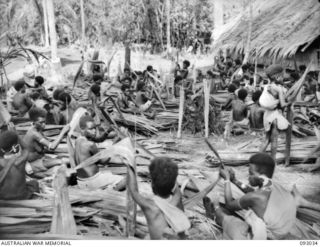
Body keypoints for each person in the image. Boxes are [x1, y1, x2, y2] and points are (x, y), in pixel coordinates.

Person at [212, 152, 320, 240]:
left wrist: (226, 180)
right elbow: (250, 191)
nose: (248, 176)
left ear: (261, 176)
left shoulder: (255, 197)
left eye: (251, 173)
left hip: (272, 237)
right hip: (283, 229)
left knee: (229, 221)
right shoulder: (270, 184)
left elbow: (229, 205)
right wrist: (234, 180)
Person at [125, 156, 190, 239]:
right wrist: (170, 175)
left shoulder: (149, 207)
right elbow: (176, 189)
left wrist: (130, 166)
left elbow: (133, 191)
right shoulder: (175, 200)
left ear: (152, 185)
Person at [75, 115, 126, 191]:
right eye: (91, 129)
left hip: (81, 181)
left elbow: (98, 139)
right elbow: (104, 161)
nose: (94, 131)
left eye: (94, 128)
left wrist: (108, 131)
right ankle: (109, 193)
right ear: (82, 129)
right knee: (126, 180)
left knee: (108, 174)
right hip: (92, 181)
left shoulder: (78, 140)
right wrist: (114, 145)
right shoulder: (90, 144)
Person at [23, 107, 70, 177]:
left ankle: (40, 174)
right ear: (33, 122)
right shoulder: (34, 134)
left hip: (40, 160)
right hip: (32, 164)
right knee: (64, 161)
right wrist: (63, 132)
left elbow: (47, 143)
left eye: (44, 122)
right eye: (41, 122)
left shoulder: (37, 129)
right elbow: (52, 147)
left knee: (63, 160)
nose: (44, 125)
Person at [259, 65, 290, 161]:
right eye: (282, 76)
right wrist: (290, 102)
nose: (283, 78)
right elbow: (283, 104)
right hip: (274, 117)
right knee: (274, 141)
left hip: (267, 115)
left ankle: (257, 159)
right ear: (277, 77)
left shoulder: (268, 86)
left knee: (266, 139)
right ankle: (273, 161)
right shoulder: (278, 89)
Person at [0, 131, 39, 200]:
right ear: (14, 146)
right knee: (34, 183)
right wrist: (17, 136)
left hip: (3, 197)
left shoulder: (1, 162)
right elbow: (26, 148)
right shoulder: (21, 160)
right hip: (22, 196)